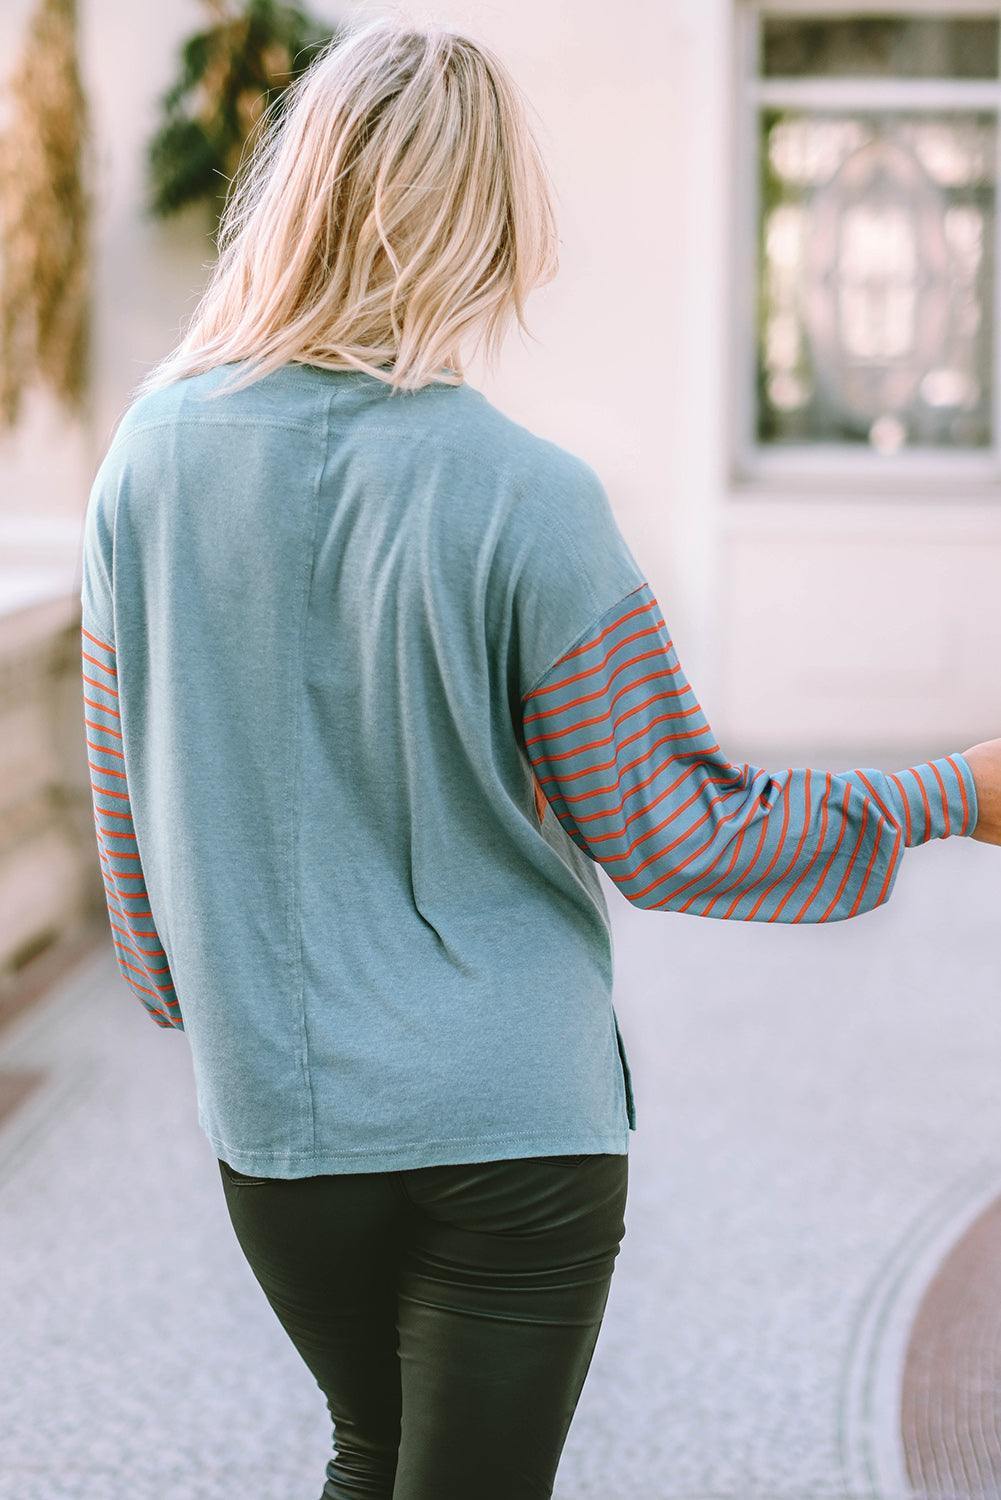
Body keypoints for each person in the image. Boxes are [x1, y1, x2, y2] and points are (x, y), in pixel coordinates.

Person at [79, 17, 1001, 1500]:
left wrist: (219, 1005)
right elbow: (669, 832)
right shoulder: (529, 498)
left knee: (369, 1453)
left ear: (301, 190)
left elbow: (131, 855)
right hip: (510, 1126)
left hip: (277, 1130)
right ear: (490, 224)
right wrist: (954, 792)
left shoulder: (148, 462)